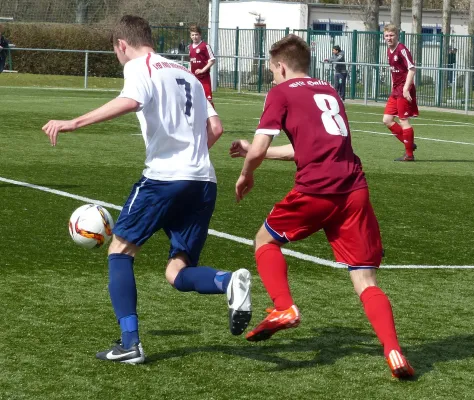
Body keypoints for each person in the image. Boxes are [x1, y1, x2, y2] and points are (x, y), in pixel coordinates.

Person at [42, 15, 252, 364]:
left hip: (164, 179)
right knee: (176, 272)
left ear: (122, 45)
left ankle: (130, 344)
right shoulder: (188, 74)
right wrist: (190, 155)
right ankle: (228, 281)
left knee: (120, 252)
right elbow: (215, 127)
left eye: (116, 52)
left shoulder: (141, 65)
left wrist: (72, 122)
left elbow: (130, 102)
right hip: (203, 181)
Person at [230, 34, 414, 379]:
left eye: (272, 70)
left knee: (264, 241)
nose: (272, 76)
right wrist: (258, 152)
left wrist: (247, 172)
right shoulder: (329, 91)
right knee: (365, 279)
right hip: (353, 190)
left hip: (317, 190)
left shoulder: (280, 92)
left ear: (281, 66)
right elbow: (308, 148)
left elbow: (257, 151)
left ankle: (284, 307)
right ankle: (394, 351)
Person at [382, 24, 418, 162]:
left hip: (404, 89)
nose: (389, 38)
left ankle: (409, 154)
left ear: (397, 36)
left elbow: (412, 69)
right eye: (386, 36)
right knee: (387, 120)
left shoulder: (402, 49)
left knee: (403, 121)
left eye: (391, 35)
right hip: (396, 90)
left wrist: (405, 89)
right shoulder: (388, 50)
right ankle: (408, 142)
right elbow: (394, 71)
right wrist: (393, 87)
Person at [189, 24, 215, 106]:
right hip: (194, 77)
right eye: (193, 35)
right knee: (194, 99)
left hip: (204, 78)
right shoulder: (190, 47)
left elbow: (212, 60)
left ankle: (212, 118)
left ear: (200, 35)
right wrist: (189, 72)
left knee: (208, 100)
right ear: (190, 36)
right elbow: (191, 62)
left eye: (196, 34)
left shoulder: (205, 46)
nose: (195, 36)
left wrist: (202, 70)